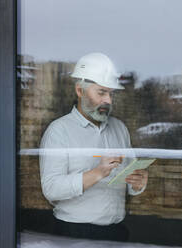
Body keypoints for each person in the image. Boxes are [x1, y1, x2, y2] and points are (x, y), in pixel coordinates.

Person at [39, 53, 148, 242]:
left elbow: (129, 180)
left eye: (111, 94)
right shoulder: (59, 131)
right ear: (80, 91)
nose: (108, 100)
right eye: (101, 93)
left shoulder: (120, 129)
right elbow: (51, 189)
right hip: (74, 235)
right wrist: (97, 173)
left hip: (117, 233)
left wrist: (137, 184)